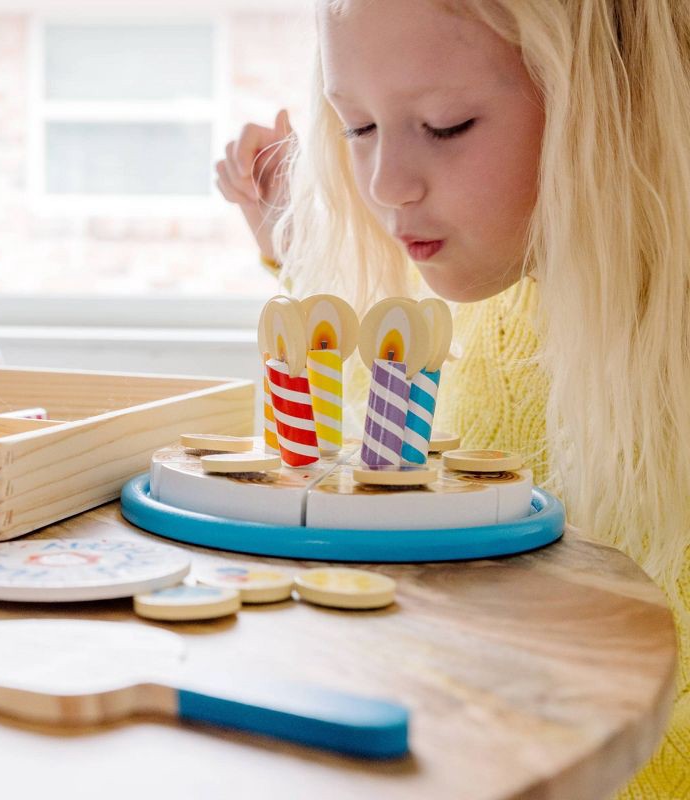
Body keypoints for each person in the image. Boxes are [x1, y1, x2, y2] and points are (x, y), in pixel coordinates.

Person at [216, 2, 690, 796]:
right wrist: (289, 251)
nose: (385, 183)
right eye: (357, 127)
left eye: (446, 124)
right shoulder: (490, 304)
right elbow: (380, 467)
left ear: (613, 104)